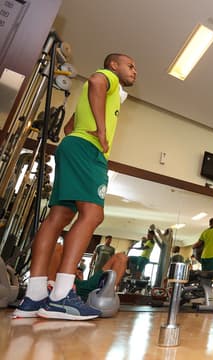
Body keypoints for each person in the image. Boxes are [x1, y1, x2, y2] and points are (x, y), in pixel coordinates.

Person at [13, 53, 137, 320]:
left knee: (59, 215)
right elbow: (94, 81)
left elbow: (69, 127)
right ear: (113, 65)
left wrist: (91, 128)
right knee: (93, 214)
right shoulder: (109, 78)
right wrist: (102, 133)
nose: (134, 71)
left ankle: (34, 296)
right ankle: (60, 295)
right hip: (87, 150)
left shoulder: (106, 97)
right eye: (130, 65)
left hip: (71, 146)